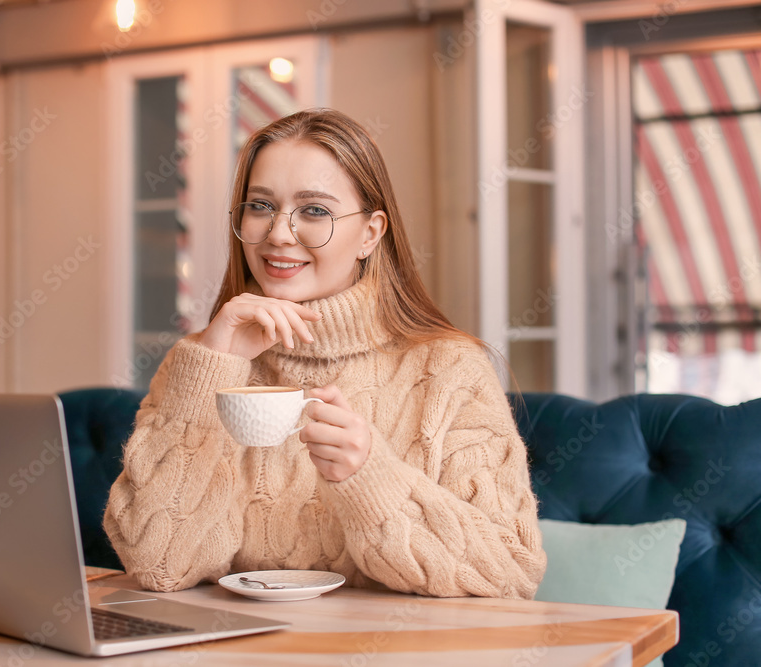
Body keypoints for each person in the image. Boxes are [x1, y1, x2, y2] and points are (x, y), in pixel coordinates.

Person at [104, 109, 546, 599]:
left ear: (371, 233)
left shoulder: (449, 370)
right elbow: (160, 566)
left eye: (314, 211)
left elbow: (510, 572)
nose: (278, 234)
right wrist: (210, 365)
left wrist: (371, 476)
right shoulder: (200, 362)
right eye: (260, 205)